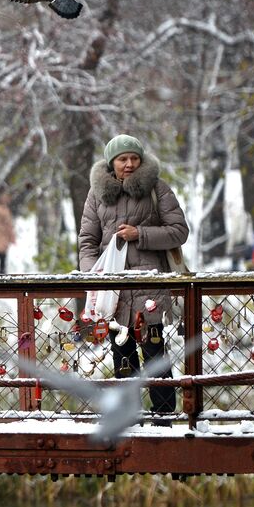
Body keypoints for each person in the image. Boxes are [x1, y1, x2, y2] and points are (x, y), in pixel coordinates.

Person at [78, 135, 189, 421]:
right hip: (112, 292)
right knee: (122, 355)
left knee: (155, 354)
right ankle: (129, 417)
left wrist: (141, 234)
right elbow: (88, 242)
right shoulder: (96, 195)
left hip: (149, 289)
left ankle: (164, 416)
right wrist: (95, 277)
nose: (129, 164)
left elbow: (179, 231)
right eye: (122, 159)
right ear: (111, 162)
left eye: (134, 158)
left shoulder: (157, 189)